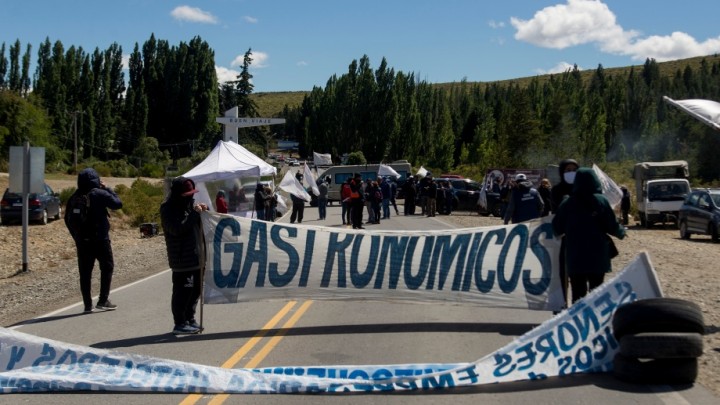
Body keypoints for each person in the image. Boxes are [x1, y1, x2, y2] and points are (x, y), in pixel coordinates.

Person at [552, 168, 626, 303]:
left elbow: (556, 228)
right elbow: (612, 226)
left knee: (578, 294)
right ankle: (596, 321)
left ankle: (578, 321)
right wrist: (622, 232)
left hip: (575, 256)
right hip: (598, 255)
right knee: (597, 292)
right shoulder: (602, 201)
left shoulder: (567, 203)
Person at [65, 168, 123, 313]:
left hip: (82, 241)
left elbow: (67, 219)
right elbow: (117, 204)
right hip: (101, 239)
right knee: (107, 267)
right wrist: (108, 188)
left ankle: (87, 305)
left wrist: (77, 237)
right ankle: (103, 300)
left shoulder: (74, 197)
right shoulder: (100, 193)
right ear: (95, 180)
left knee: (85, 273)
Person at [160, 177, 206, 335]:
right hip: (182, 259)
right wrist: (194, 214)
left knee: (196, 290)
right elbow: (177, 229)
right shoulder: (168, 208)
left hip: (196, 257)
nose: (190, 196)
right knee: (183, 292)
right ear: (179, 193)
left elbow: (195, 224)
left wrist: (202, 212)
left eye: (192, 193)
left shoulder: (189, 206)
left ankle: (189, 318)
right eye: (187, 193)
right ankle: (179, 322)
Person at [550, 158, 579, 309]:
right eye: (568, 170)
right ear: (562, 172)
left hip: (580, 239)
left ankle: (577, 307)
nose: (571, 173)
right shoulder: (557, 190)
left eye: (574, 170)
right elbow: (557, 212)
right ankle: (561, 306)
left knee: (578, 276)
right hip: (562, 238)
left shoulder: (583, 189)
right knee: (562, 274)